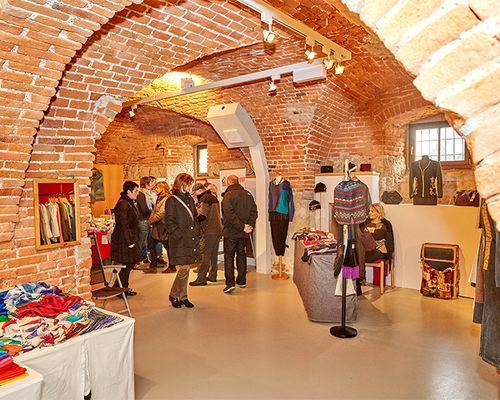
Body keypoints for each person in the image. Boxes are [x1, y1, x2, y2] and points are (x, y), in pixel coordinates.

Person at [165, 173, 200, 308]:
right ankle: (174, 294)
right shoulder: (172, 200)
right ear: (181, 183)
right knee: (184, 269)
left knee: (186, 269)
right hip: (179, 241)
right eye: (189, 183)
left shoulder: (189, 198)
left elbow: (194, 217)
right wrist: (179, 235)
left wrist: (196, 232)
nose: (190, 186)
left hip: (190, 238)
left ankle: (183, 297)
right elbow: (169, 222)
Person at [221, 175, 257, 294]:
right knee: (241, 256)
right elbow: (254, 212)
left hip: (231, 232)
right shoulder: (248, 194)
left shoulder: (228, 195)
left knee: (229, 257)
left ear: (229, 183)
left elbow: (228, 214)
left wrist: (243, 226)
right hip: (243, 233)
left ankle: (230, 283)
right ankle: (242, 280)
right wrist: (249, 226)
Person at [110, 181, 141, 296]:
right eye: (135, 191)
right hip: (124, 240)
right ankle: (119, 288)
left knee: (129, 264)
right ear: (128, 191)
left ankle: (122, 288)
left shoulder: (128, 202)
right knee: (128, 264)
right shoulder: (123, 204)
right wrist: (129, 241)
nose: (137, 193)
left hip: (127, 238)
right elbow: (124, 224)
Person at [190, 183, 223, 286]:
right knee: (213, 255)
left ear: (199, 191)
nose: (194, 195)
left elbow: (202, 215)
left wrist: (193, 216)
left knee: (203, 255)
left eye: (194, 193)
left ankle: (201, 279)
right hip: (216, 230)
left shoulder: (204, 199)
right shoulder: (212, 197)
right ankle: (212, 275)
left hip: (208, 230)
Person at [143, 182, 176, 274]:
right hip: (157, 227)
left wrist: (150, 221)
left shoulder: (167, 199)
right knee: (151, 245)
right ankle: (153, 266)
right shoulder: (159, 198)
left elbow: (162, 213)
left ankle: (172, 266)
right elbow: (154, 211)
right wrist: (150, 220)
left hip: (163, 227)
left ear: (163, 188)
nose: (156, 189)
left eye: (157, 187)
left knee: (168, 247)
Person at [136, 176, 156, 264]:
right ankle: (137, 260)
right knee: (142, 242)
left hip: (147, 220)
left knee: (146, 242)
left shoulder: (147, 194)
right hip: (143, 220)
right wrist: (154, 211)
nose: (152, 184)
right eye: (151, 182)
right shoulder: (141, 194)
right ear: (146, 184)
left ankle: (144, 258)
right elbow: (144, 209)